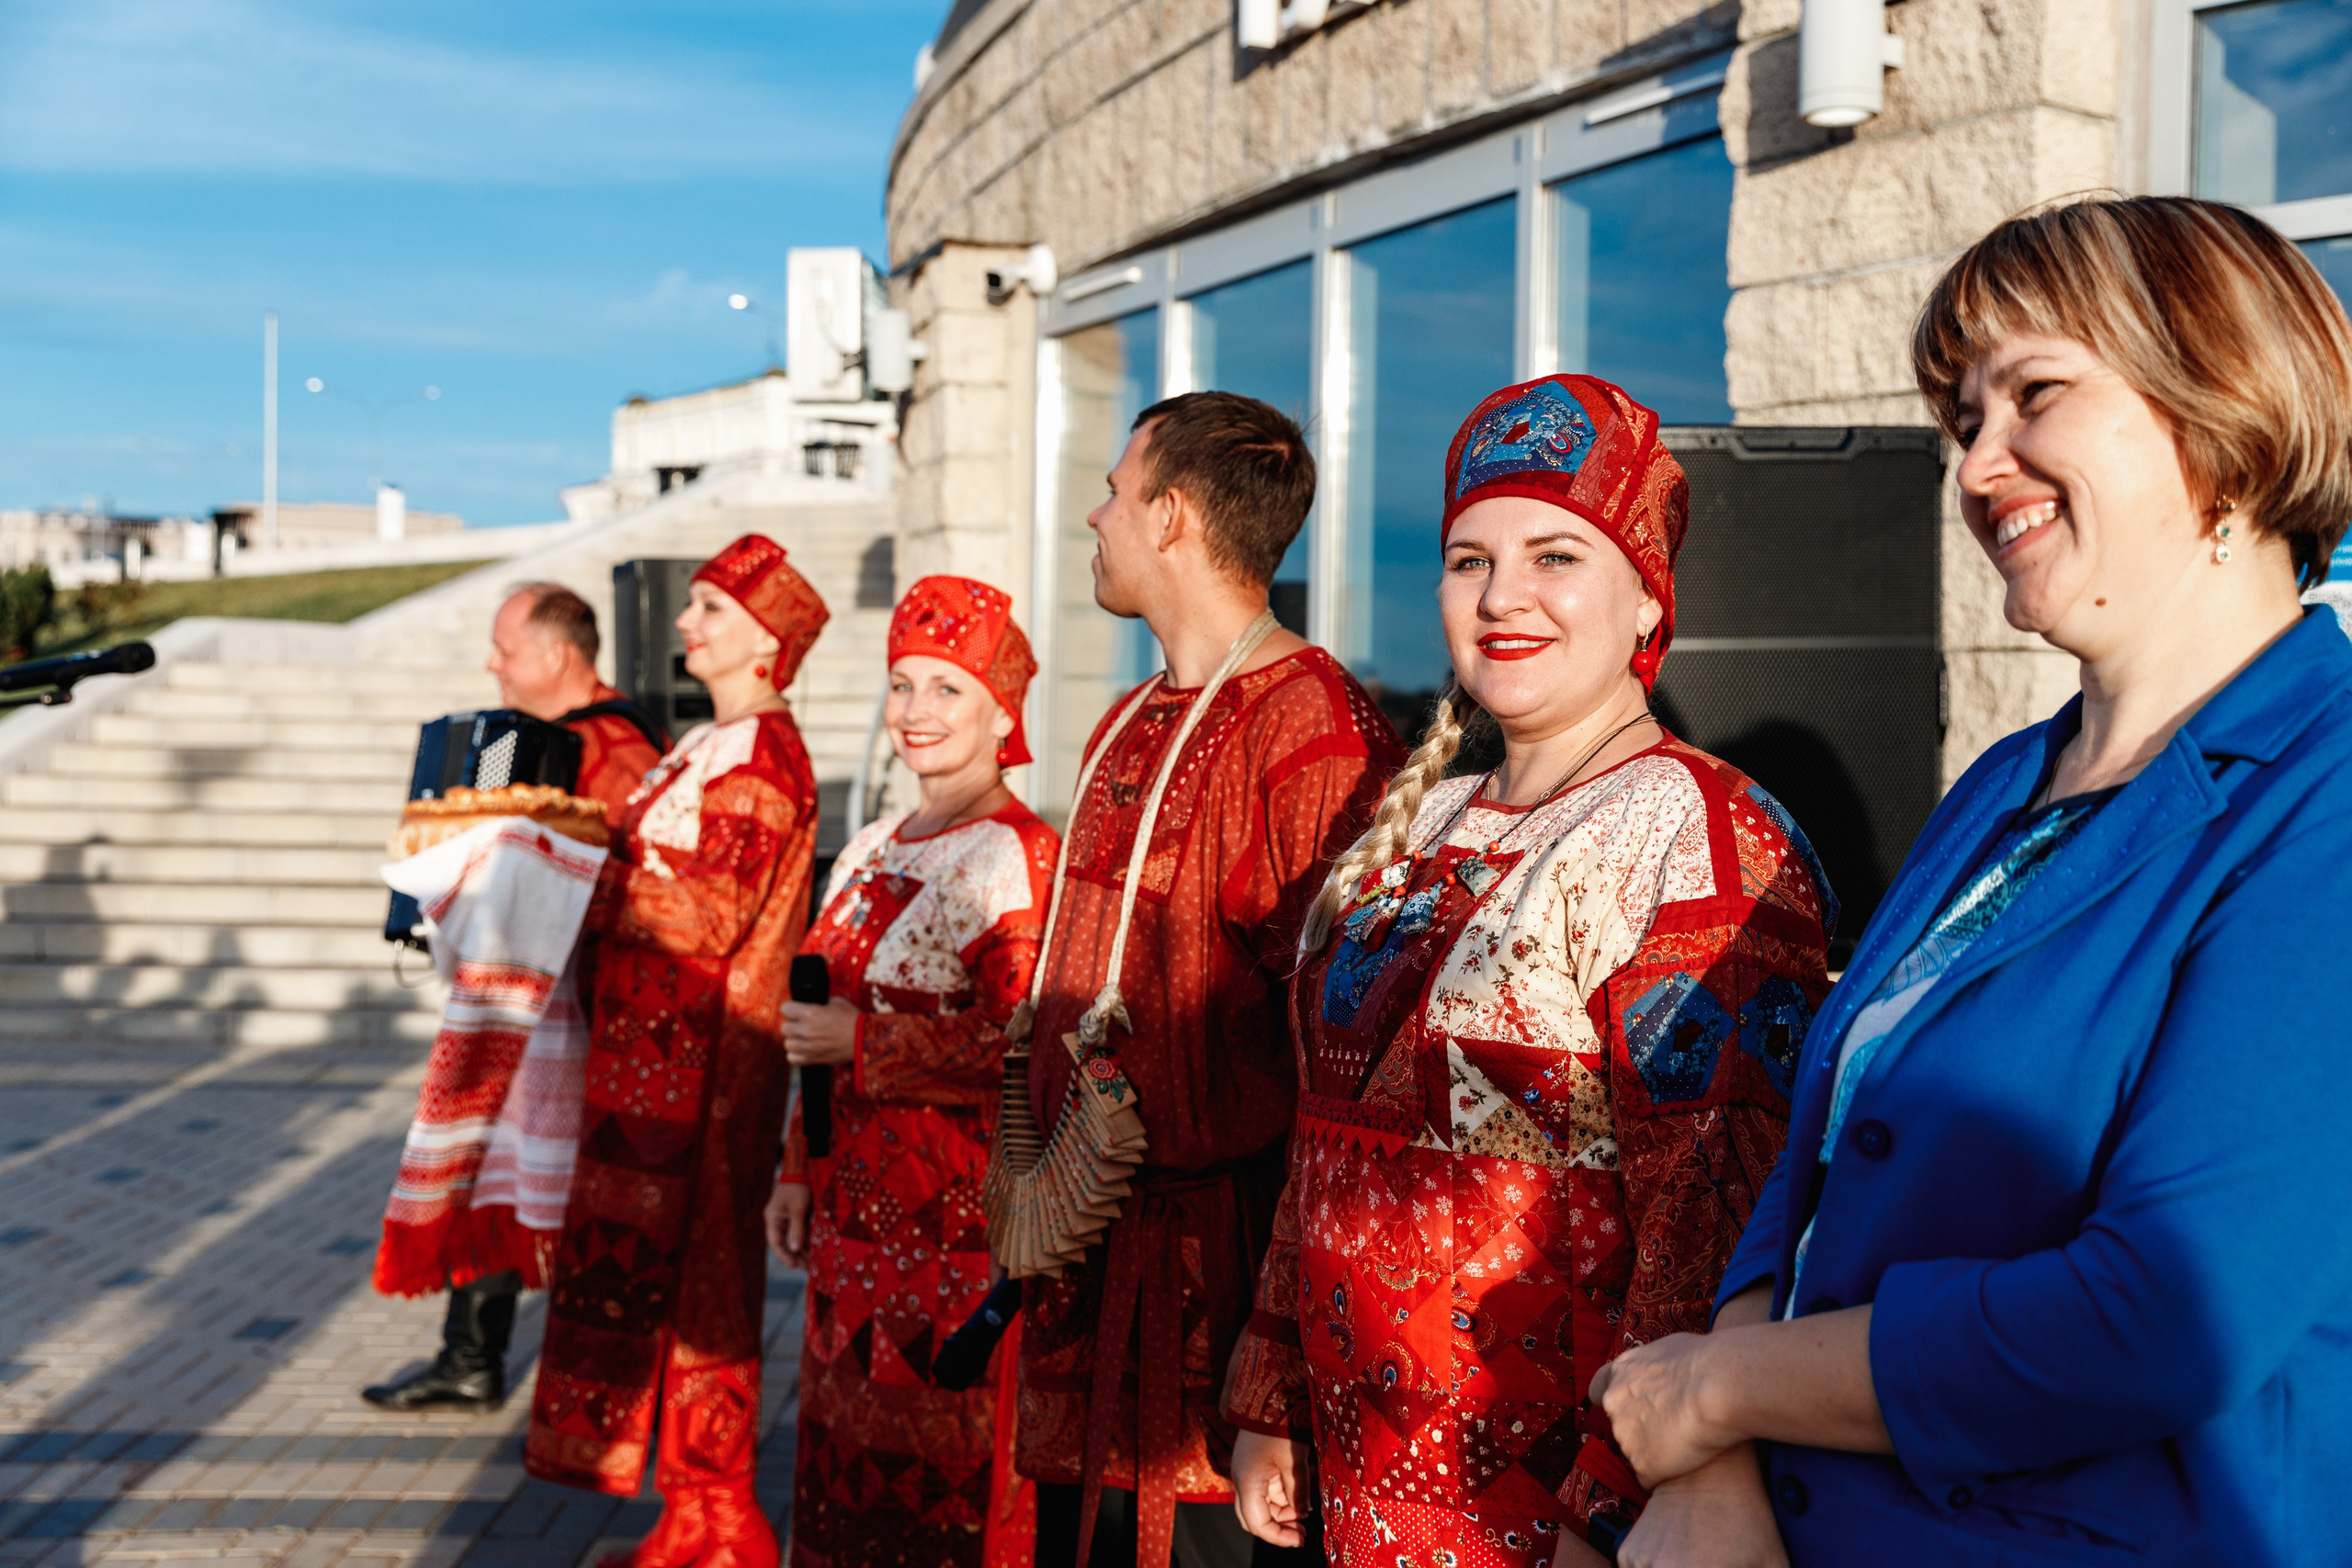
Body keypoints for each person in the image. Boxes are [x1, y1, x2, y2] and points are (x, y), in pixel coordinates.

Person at [1587, 197, 2352, 1567]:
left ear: (2221, 403)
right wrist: (1727, 1463)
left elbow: (2163, 1311)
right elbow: (1827, 1145)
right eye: (1964, 419)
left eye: (2034, 394)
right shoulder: (2006, 781)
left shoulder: (2327, 789)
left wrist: (1718, 1385)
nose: (1981, 462)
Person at [1221, 374, 1831, 1567]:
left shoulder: (1700, 838)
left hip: (1552, 1514)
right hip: (1360, 1488)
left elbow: (1715, 1223)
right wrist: (1268, 1390)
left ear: (1646, 593)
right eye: (1468, 560)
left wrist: (1610, 1504)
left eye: (1556, 555)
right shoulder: (1420, 820)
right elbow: (1322, 1133)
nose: (1504, 596)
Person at [1001, 390, 1407, 1568]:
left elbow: (1345, 1069)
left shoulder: (1314, 730)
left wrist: (1276, 1359)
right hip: (1092, 1263)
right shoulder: (1126, 719)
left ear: (1171, 516)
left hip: (1216, 1291)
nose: (1096, 515)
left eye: (1117, 493)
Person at [526, 536, 829, 1568]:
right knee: (673, 1287)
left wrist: (575, 879)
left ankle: (719, 1517)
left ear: (766, 643)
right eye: (693, 606)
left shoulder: (762, 754)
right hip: (654, 1060)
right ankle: (692, 1506)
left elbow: (706, 913)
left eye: (710, 610)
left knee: (707, 1287)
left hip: (706, 1068)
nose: (687, 625)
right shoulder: (713, 744)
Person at [763, 574, 1058, 1568]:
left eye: (947, 689)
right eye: (902, 685)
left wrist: (868, 1044)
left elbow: (1029, 1043)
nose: (916, 713)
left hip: (959, 1236)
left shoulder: (1018, 854)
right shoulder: (870, 844)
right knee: (845, 1477)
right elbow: (816, 1023)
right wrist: (797, 1168)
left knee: (951, 1484)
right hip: (851, 1232)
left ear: (1000, 711)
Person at [364, 581, 668, 1414]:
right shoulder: (527, 741)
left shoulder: (621, 750)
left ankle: (558, 1368)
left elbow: (631, 884)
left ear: (557, 655)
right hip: (534, 1007)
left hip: (592, 1011)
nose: (491, 663)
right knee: (497, 1160)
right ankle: (471, 1353)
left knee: (539, 1172)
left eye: (504, 647)